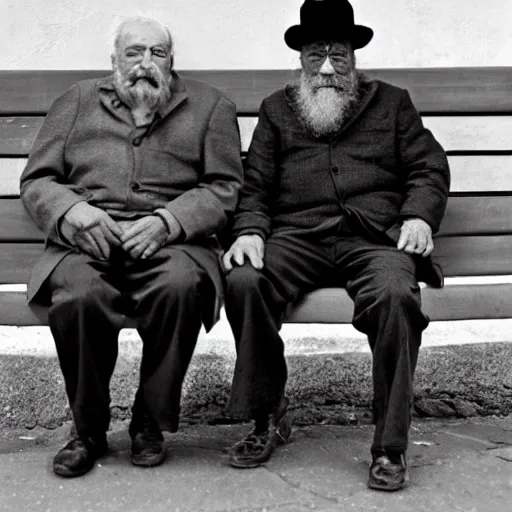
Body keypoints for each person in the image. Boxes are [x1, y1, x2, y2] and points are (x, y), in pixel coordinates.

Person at [222, 0, 450, 491]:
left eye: (338, 56)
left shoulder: (392, 102)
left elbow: (428, 167)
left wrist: (418, 215)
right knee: (243, 279)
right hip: (298, 237)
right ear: (301, 60)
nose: (326, 68)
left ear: (354, 57)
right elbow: (256, 187)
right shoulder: (276, 110)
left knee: (395, 297)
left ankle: (390, 446)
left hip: (373, 238)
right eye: (315, 56)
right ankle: (267, 416)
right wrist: (248, 231)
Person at [20, 17, 243, 478]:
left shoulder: (210, 107)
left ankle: (149, 422)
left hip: (171, 244)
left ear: (171, 60)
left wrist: (170, 220)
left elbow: (225, 187)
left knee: (180, 287)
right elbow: (37, 179)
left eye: (157, 53)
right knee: (80, 298)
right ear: (114, 60)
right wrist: (70, 212)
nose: (145, 64)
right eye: (134, 52)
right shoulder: (78, 101)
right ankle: (88, 430)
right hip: (84, 241)